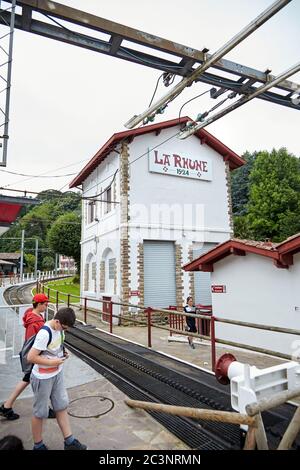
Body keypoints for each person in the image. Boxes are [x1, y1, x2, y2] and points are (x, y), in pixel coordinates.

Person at [27, 307, 87, 450]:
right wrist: (51, 362)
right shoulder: (44, 333)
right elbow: (31, 357)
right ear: (57, 321)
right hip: (42, 377)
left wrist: (63, 352)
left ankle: (69, 441)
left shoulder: (60, 330)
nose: (64, 330)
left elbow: (56, 346)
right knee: (40, 412)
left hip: (56, 374)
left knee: (61, 406)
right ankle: (38, 445)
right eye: (64, 327)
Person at [0, 293, 55, 421]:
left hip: (36, 356)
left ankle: (7, 406)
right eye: (46, 304)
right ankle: (43, 409)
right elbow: (30, 342)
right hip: (34, 357)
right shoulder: (34, 321)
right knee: (37, 381)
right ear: (39, 304)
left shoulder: (36, 316)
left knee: (28, 380)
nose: (47, 306)